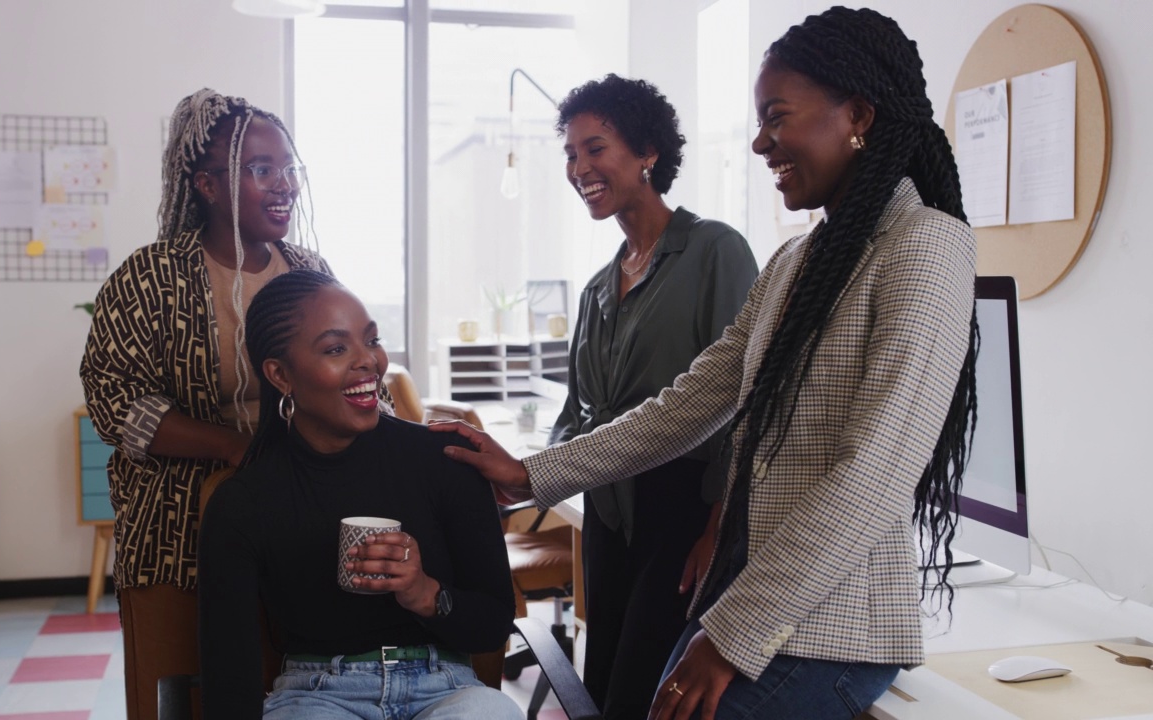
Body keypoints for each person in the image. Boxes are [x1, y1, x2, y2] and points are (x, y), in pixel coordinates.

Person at [433, 6, 979, 718]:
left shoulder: (926, 244)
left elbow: (873, 475)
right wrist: (532, 474)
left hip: (829, 627)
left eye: (776, 117)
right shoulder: (796, 262)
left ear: (860, 116)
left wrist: (729, 635)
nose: (759, 143)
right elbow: (687, 404)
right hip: (752, 603)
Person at [80, 89, 350, 719]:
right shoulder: (149, 278)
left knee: (286, 692)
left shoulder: (309, 273)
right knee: (183, 690)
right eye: (260, 169)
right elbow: (116, 402)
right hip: (178, 532)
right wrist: (234, 447)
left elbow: (350, 378)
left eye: (289, 168)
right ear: (204, 183)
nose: (283, 184)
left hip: (296, 524)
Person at [197, 269, 523, 720]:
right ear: (279, 374)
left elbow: (493, 624)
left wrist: (424, 593)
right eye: (336, 348)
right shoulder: (244, 503)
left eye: (371, 340)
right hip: (315, 696)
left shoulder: (446, 460)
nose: (368, 360)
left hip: (447, 690)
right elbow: (228, 678)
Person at [550, 74, 757, 718]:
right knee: (606, 681)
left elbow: (745, 401)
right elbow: (576, 415)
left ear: (647, 153)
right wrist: (522, 478)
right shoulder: (595, 289)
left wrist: (717, 528)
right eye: (571, 154)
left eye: (595, 148)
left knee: (647, 694)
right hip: (610, 514)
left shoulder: (715, 251)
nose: (579, 167)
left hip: (682, 515)